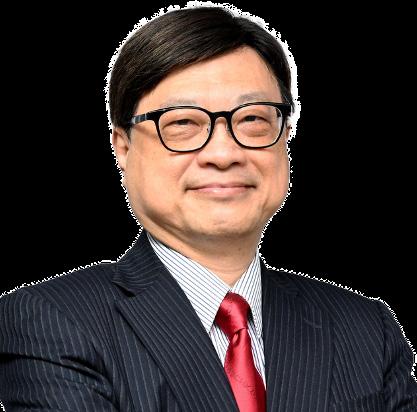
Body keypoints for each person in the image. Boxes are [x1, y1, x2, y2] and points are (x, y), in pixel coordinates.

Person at [1, 5, 416, 412]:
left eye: (253, 119)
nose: (223, 153)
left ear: (285, 134)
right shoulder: (54, 321)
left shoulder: (367, 329)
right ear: (123, 146)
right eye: (182, 123)